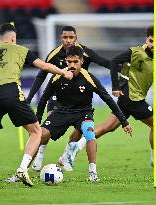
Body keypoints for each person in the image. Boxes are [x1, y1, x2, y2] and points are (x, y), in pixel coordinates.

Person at [0, 23, 73, 188]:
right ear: (13, 38)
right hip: (11, 92)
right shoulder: (20, 49)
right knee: (36, 131)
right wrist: (63, 72)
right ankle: (23, 168)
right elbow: (44, 66)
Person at [64, 26, 156, 170]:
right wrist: (116, 86)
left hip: (131, 97)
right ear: (146, 39)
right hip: (132, 98)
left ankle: (76, 146)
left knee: (109, 127)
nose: (153, 44)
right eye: (151, 40)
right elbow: (114, 62)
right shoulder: (136, 52)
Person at [35, 45, 132, 182]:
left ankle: (93, 172)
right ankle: (22, 170)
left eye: (75, 62)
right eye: (69, 62)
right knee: (39, 135)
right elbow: (44, 98)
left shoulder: (89, 78)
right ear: (66, 61)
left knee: (90, 134)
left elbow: (108, 99)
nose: (72, 65)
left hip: (83, 113)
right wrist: (37, 120)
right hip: (61, 112)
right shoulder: (58, 76)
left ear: (82, 61)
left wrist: (124, 122)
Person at [28, 26, 114, 172]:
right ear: (61, 38)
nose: (68, 40)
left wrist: (119, 67)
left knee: (81, 129)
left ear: (76, 38)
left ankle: (67, 155)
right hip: (58, 93)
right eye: (65, 37)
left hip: (78, 95)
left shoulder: (85, 52)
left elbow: (104, 62)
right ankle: (40, 154)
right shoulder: (54, 54)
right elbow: (41, 75)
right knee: (49, 122)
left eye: (71, 37)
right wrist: (30, 96)